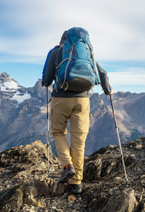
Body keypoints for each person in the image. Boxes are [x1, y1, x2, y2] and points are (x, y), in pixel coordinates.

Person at [42, 27, 113, 194]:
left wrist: (49, 81)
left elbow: (46, 80)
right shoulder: (87, 53)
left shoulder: (56, 52)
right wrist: (108, 89)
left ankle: (67, 165)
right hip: (83, 100)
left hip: (61, 99)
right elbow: (102, 74)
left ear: (63, 41)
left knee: (58, 132)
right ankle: (76, 184)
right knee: (79, 140)